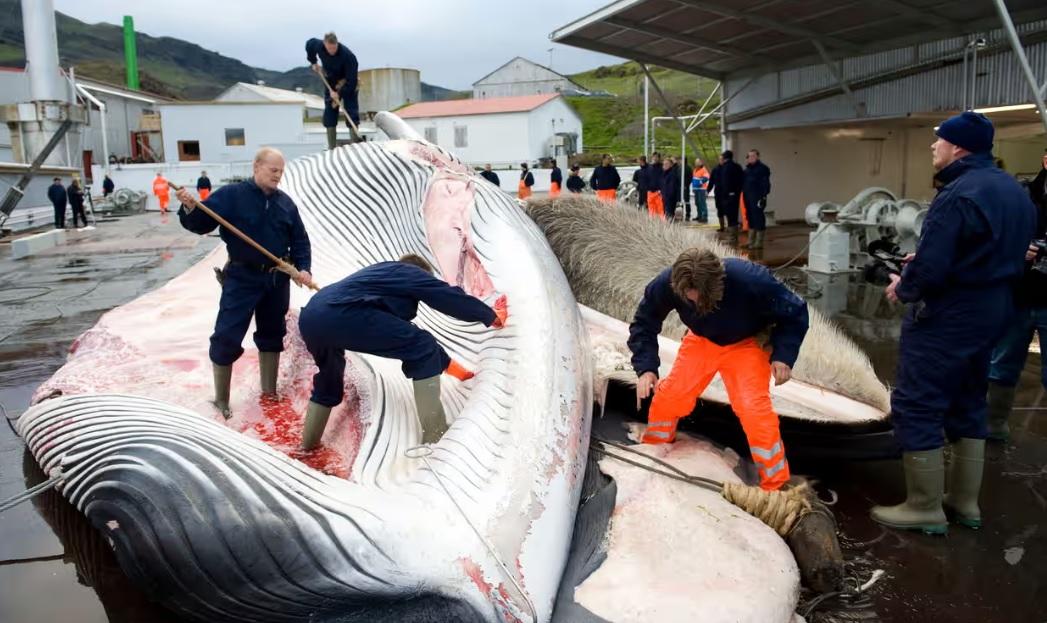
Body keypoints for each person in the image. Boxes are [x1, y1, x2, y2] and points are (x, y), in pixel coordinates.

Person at [870, 112, 1036, 534]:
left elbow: (932, 268)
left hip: (950, 312)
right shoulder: (1014, 191)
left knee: (918, 401)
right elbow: (997, 251)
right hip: (994, 308)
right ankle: (964, 502)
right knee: (967, 397)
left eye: (938, 140)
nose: (933, 146)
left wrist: (904, 285)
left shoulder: (958, 193)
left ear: (958, 147)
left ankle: (924, 506)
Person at [629, 248, 809, 490]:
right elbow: (644, 322)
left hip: (747, 343)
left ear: (718, 283)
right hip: (701, 340)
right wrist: (646, 368)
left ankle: (775, 484)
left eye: (702, 299)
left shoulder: (752, 280)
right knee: (672, 395)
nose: (697, 304)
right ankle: (655, 447)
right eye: (690, 300)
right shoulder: (667, 283)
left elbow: (795, 313)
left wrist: (784, 356)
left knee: (753, 409)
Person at [298, 255, 509, 449]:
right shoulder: (409, 271)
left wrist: (453, 369)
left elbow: (400, 331)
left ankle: (307, 447)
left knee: (329, 379)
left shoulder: (380, 275)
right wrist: (489, 315)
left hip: (312, 318)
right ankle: (435, 436)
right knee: (422, 346)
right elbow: (445, 295)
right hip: (342, 314)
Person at [175, 147, 313, 418]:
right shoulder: (231, 196)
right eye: (273, 170)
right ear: (257, 166)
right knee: (227, 334)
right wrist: (190, 207)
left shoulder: (286, 203)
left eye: (281, 172)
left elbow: (300, 240)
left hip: (277, 278)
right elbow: (202, 223)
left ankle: (269, 393)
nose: (278, 176)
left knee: (272, 334)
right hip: (242, 276)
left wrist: (304, 268)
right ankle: (222, 400)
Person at [985, 147, 1047, 441]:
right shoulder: (1022, 195)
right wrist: (1018, 247)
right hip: (1019, 296)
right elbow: (994, 237)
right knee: (1002, 365)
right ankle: (993, 428)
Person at [306, 32, 359, 149]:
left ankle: (355, 145)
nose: (332, 51)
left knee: (351, 111)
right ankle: (332, 147)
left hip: (348, 82)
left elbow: (352, 82)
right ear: (324, 44)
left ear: (337, 44)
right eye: (329, 48)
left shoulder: (348, 56)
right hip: (331, 82)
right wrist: (313, 61)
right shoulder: (318, 45)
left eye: (334, 48)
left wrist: (339, 93)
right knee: (330, 113)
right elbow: (309, 44)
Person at [706, 150, 744, 244]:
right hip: (733, 194)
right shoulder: (737, 167)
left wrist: (727, 193)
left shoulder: (726, 168)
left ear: (724, 158)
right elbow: (742, 180)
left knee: (730, 215)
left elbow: (725, 182)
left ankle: (732, 238)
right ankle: (726, 230)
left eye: (721, 158)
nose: (720, 160)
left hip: (725, 194)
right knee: (730, 214)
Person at [742, 149, 772, 250]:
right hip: (747, 196)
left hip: (758, 197)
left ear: (758, 157)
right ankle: (750, 241)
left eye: (753, 156)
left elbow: (766, 184)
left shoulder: (763, 169)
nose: (750, 158)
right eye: (749, 156)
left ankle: (759, 242)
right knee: (750, 217)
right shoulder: (746, 170)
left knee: (758, 217)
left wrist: (763, 196)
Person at [643, 152, 664, 218]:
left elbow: (664, 180)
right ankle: (652, 223)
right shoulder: (649, 168)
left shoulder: (662, 167)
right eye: (653, 157)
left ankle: (662, 224)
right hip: (650, 192)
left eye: (656, 157)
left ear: (659, 158)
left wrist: (661, 190)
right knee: (651, 210)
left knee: (660, 210)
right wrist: (647, 188)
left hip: (658, 192)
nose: (654, 158)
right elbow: (646, 179)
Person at [692, 158, 710, 223]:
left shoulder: (704, 170)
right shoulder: (695, 170)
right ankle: (699, 216)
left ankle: (704, 217)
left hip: (701, 189)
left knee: (702, 203)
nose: (696, 163)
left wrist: (700, 183)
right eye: (695, 162)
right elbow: (694, 179)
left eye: (697, 162)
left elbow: (707, 178)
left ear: (701, 163)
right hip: (696, 189)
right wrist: (693, 188)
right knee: (697, 203)